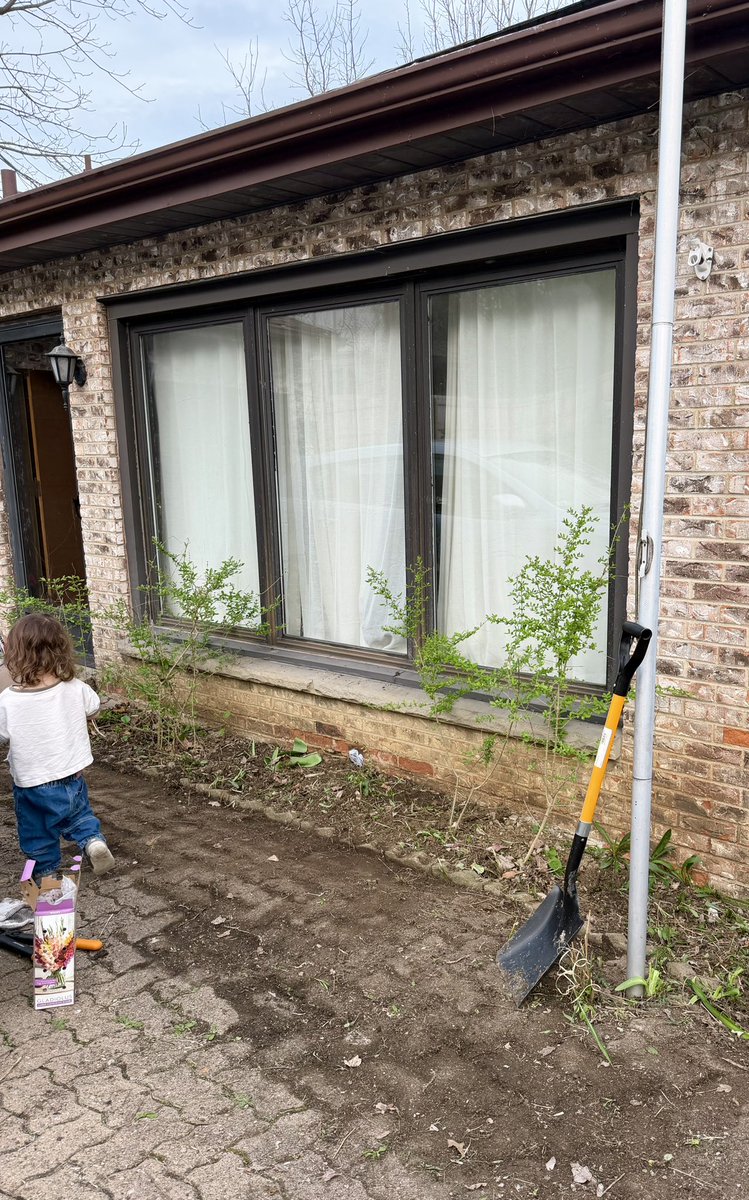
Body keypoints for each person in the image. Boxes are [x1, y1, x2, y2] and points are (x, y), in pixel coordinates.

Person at [0, 613, 114, 881]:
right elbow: (94, 708)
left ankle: (48, 878)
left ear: (15, 654)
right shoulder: (75, 688)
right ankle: (93, 841)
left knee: (38, 832)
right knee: (79, 816)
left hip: (32, 784)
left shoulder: (8, 701)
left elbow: (2, 735)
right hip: (71, 775)